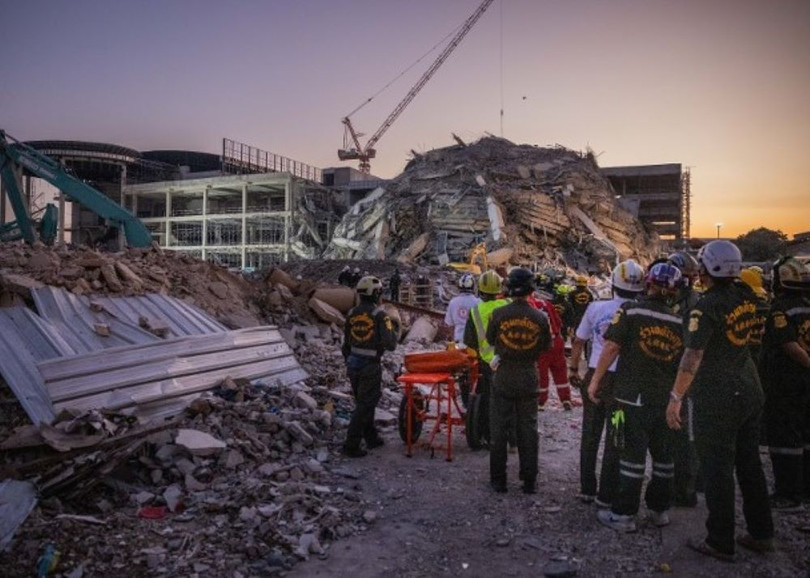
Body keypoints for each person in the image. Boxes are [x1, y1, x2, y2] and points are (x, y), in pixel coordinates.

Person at [666, 240, 774, 561]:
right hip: (749, 388)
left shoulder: (706, 306)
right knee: (750, 464)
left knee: (717, 470)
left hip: (719, 396)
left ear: (707, 268)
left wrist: (675, 397)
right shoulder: (747, 297)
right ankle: (762, 533)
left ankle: (720, 540)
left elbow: (693, 355)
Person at [590, 263, 684, 532]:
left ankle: (623, 514)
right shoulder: (681, 320)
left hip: (629, 399)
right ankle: (659, 511)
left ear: (649, 284)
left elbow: (611, 346)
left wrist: (595, 381)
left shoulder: (631, 310)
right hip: (665, 401)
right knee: (664, 457)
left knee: (628, 454)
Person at [569, 259, 646, 506]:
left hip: (596, 377)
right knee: (616, 436)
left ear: (613, 283)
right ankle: (607, 493)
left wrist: (573, 368)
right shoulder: (639, 312)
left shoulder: (595, 308)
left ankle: (587, 489)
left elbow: (579, 341)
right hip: (622, 384)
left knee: (590, 433)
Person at [485, 268, 552, 494]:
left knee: (499, 429)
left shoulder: (498, 314)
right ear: (531, 289)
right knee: (528, 429)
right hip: (528, 376)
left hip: (504, 375)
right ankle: (529, 480)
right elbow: (546, 347)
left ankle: (498, 480)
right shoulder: (540, 317)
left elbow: (490, 340)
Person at [760, 257, 810, 511]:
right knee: (805, 434)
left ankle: (788, 494)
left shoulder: (780, 309)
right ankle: (804, 490)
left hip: (786, 383)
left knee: (784, 438)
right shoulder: (806, 306)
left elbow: (789, 345)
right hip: (804, 383)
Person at [341, 276, 399, 458]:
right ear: (376, 294)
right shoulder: (381, 316)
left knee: (364, 402)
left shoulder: (351, 314)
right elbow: (391, 344)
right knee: (365, 404)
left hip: (353, 364)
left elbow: (346, 345)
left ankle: (371, 436)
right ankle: (351, 444)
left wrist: (349, 360)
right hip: (370, 366)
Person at [666, 251, 702, 507]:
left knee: (684, 434)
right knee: (681, 434)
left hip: (683, 375)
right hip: (679, 373)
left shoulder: (692, 304)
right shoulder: (693, 300)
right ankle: (683, 484)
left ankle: (685, 489)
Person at [464, 270, 510, 448]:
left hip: (486, 363)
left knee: (487, 401)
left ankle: (489, 436)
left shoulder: (475, 311)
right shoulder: (507, 304)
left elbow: (470, 342)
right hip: (508, 360)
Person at [528, 283, 572, 410]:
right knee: (560, 371)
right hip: (557, 340)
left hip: (542, 344)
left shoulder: (529, 306)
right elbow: (558, 322)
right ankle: (566, 399)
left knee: (542, 373)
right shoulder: (546, 303)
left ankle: (540, 401)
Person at [445, 273, 481, 346]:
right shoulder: (479, 302)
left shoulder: (453, 302)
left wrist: (453, 340)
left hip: (458, 341)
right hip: (474, 342)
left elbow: (449, 325)